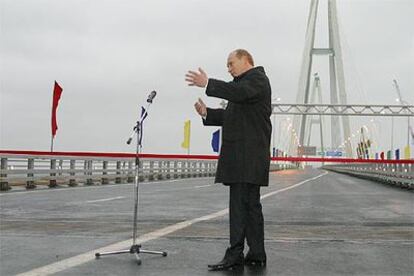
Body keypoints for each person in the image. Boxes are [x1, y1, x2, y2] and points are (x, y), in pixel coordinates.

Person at [185, 49, 272, 271]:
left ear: (246, 60)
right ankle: (256, 252)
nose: (229, 68)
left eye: (231, 63)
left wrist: (208, 84)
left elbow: (239, 93)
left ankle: (235, 254)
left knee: (239, 207)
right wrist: (207, 113)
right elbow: (232, 116)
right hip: (248, 158)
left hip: (246, 157)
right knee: (251, 206)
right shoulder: (246, 87)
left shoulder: (256, 80)